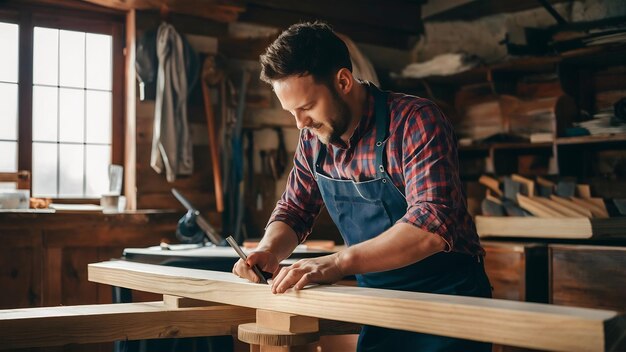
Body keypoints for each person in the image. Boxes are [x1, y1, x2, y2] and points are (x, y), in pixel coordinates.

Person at [232, 21, 492, 352]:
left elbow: (431, 225)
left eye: (307, 108)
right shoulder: (314, 138)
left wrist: (337, 263)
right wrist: (269, 249)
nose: (301, 124)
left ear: (342, 81)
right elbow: (295, 210)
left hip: (446, 304)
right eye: (292, 113)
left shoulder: (415, 120)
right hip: (378, 304)